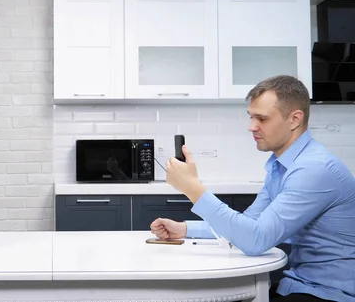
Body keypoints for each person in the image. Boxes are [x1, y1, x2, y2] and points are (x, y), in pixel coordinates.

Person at [151, 75, 355, 302]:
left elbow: (255, 240)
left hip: (329, 293)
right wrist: (186, 229)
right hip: (299, 284)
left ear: (294, 119)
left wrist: (192, 188)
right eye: (251, 117)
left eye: (262, 118)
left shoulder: (313, 169)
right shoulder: (282, 166)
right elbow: (246, 226)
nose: (251, 127)